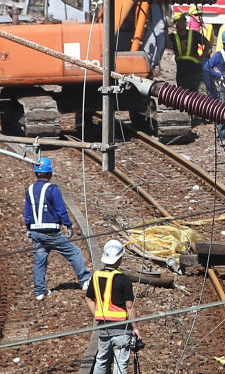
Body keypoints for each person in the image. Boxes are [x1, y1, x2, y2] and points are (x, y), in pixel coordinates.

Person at [25, 157, 92, 300]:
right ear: (50, 173)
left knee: (39, 261)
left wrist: (28, 229)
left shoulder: (30, 190)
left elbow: (27, 212)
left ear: (36, 173)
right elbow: (61, 210)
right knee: (74, 252)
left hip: (36, 232)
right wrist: (68, 225)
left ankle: (39, 292)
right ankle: (85, 280)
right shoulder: (52, 190)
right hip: (52, 233)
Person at [85, 239, 142, 374]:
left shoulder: (96, 276)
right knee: (120, 363)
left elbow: (88, 298)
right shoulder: (124, 280)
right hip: (122, 329)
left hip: (103, 328)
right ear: (120, 259)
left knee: (101, 360)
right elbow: (129, 306)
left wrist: (97, 314)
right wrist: (135, 327)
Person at [169, 11, 208, 92]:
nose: (182, 23)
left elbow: (207, 44)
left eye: (183, 20)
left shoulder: (194, 34)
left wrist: (202, 56)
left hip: (195, 68)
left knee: (197, 92)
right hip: (181, 70)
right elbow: (165, 44)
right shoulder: (172, 36)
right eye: (179, 21)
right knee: (183, 94)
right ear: (175, 24)